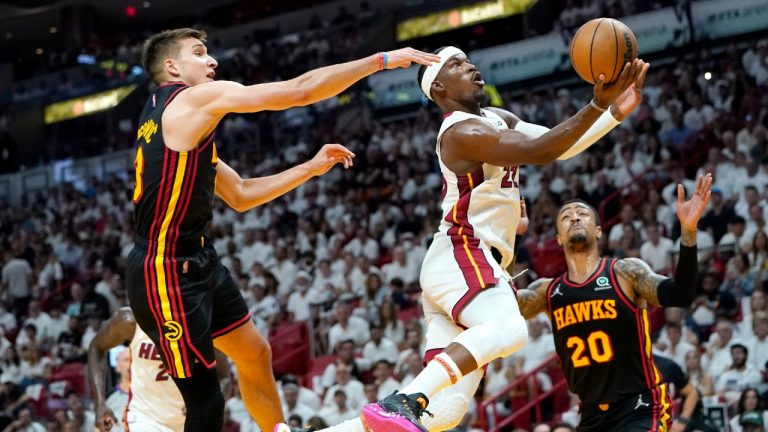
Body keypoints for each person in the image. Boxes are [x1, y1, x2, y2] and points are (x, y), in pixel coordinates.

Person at [280, 46, 647, 432]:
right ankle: (402, 400)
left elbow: (562, 145)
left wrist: (615, 112)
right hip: (463, 251)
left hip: (461, 266)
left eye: (467, 59)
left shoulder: (496, 117)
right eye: (456, 64)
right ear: (438, 87)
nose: (470, 65)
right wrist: (595, 104)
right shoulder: (460, 131)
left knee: (446, 411)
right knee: (510, 329)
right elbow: (540, 150)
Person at [126, 28, 439, 432]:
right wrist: (378, 61)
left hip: (199, 259)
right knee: (207, 403)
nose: (212, 61)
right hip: (164, 273)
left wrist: (309, 167)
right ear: (172, 67)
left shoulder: (164, 114)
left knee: (255, 353)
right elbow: (300, 90)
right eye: (200, 53)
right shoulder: (194, 99)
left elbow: (238, 194)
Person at [511, 174, 712, 431]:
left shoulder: (625, 273)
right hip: (592, 413)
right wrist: (514, 236)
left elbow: (680, 294)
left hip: (639, 405)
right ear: (558, 238)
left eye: (582, 213)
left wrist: (688, 231)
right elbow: (502, 305)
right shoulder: (547, 291)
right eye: (565, 216)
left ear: (598, 230)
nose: (574, 217)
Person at [87, 307, 229, 432]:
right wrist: (99, 403)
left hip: (190, 421)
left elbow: (224, 377)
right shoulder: (130, 320)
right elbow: (96, 347)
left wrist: (206, 404)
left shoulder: (201, 325)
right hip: (144, 418)